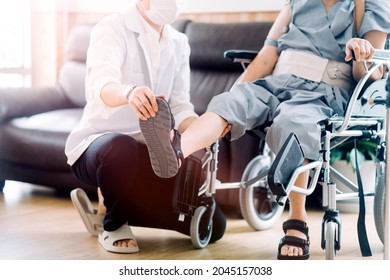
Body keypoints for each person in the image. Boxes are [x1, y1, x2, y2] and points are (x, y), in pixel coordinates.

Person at [139, 0, 390, 259]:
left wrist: (363, 54)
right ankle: (177, 150)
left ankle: (297, 219)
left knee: (293, 122)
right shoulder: (295, 3)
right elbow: (266, 58)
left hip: (322, 93)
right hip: (276, 82)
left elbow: (371, 73)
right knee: (230, 102)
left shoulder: (369, 5)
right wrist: (236, 95)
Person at [65, 0, 226, 254]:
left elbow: (181, 105)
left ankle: (112, 203)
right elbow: (101, 85)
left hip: (150, 156)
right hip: (100, 147)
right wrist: (129, 93)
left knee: (214, 226)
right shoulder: (111, 28)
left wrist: (202, 130)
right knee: (120, 148)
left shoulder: (179, 42)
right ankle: (114, 225)